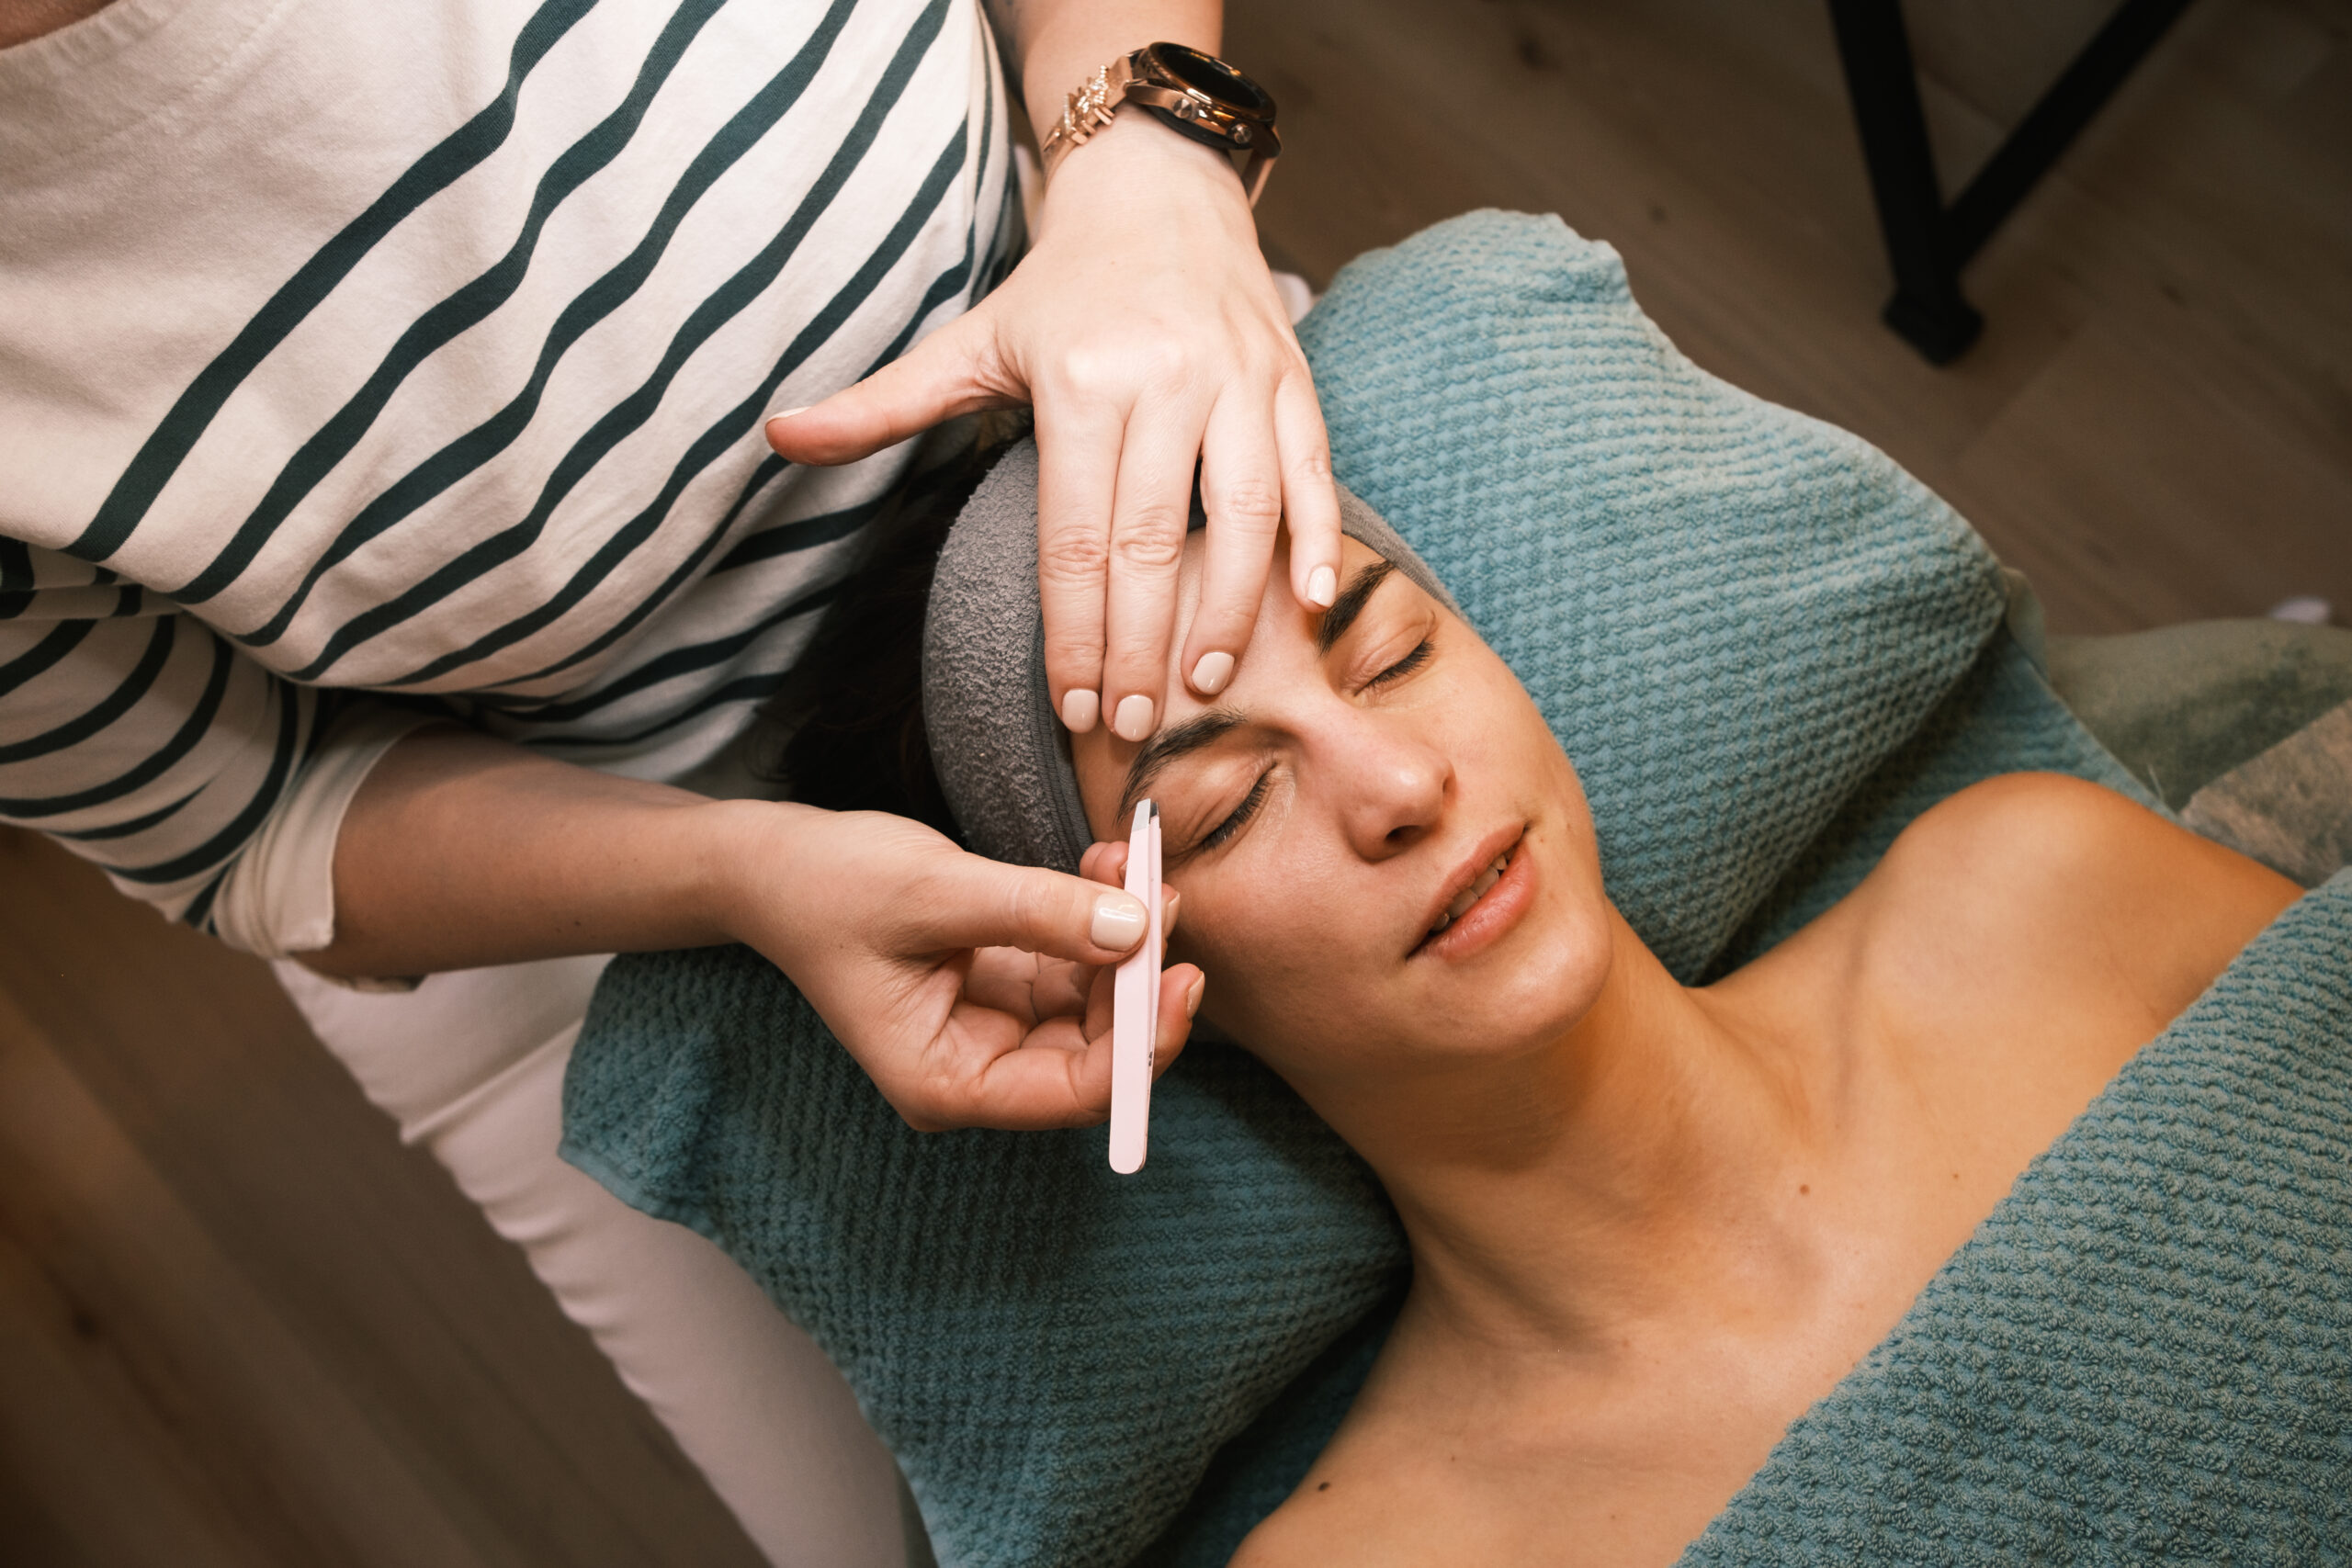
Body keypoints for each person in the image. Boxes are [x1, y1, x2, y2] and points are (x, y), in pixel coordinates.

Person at [0, 0, 1331, 1131]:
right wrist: (747, 877)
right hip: (791, 832)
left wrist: (1149, 165)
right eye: (1226, 809)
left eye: (1390, 661)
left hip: (1172, 381)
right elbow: (260, 821)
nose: (1396, 791)